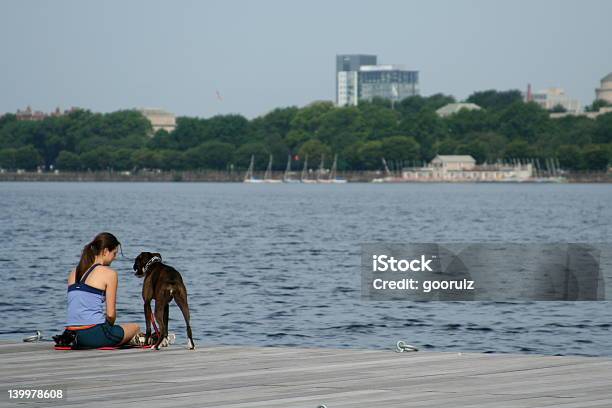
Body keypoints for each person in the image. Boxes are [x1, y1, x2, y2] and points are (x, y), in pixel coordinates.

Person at [66, 232, 140, 348]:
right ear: (105, 251)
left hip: (71, 335)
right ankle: (126, 339)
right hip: (92, 335)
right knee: (135, 327)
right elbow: (110, 315)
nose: (115, 258)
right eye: (114, 253)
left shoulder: (73, 272)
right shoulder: (110, 274)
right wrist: (108, 329)